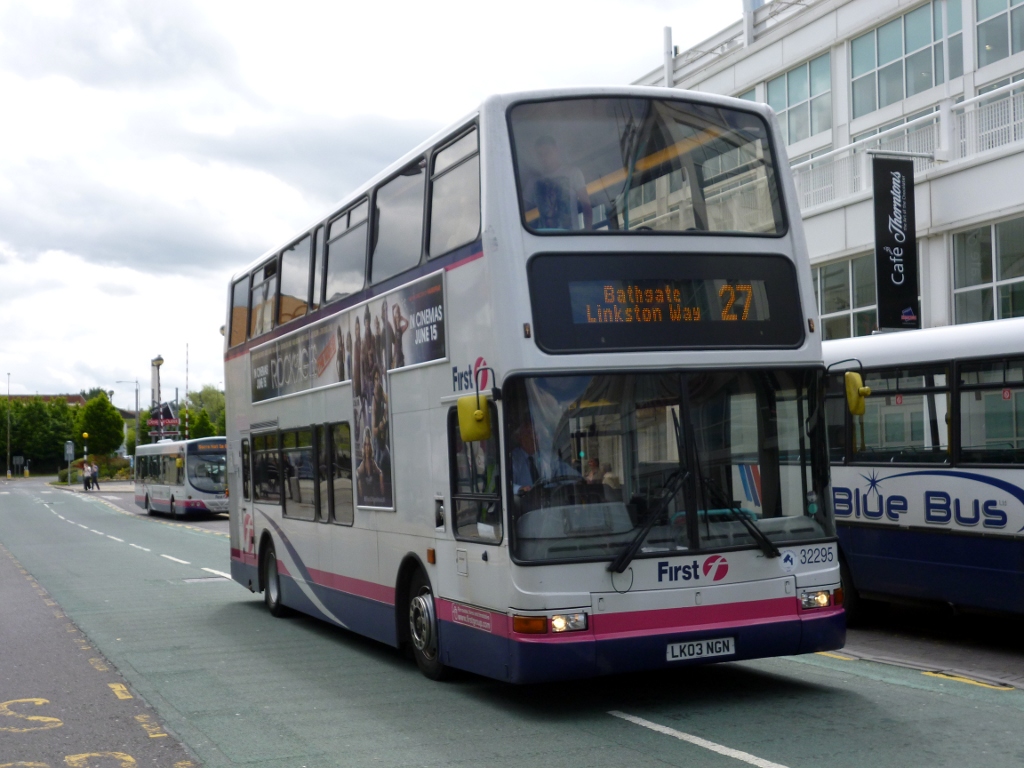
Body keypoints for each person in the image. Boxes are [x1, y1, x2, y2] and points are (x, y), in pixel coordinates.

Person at [532, 135, 593, 231]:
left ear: (556, 150)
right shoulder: (533, 182)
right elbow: (521, 209)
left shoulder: (573, 173)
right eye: (540, 154)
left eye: (547, 152)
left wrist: (588, 231)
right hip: (543, 239)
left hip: (570, 238)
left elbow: (586, 204)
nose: (544, 157)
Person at [510, 422, 579, 496]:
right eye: (530, 433)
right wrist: (520, 489)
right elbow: (506, 484)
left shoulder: (547, 456)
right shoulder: (514, 459)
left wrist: (580, 479)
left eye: (537, 433)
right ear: (520, 437)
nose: (535, 438)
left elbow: (564, 471)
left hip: (551, 501)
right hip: (525, 503)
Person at [392, 304, 409, 368]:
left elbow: (407, 323)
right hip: (396, 352)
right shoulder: (395, 327)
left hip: (400, 352)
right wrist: (393, 309)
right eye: (397, 313)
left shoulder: (401, 329)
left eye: (398, 313)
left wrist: (402, 318)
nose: (398, 315)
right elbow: (393, 319)